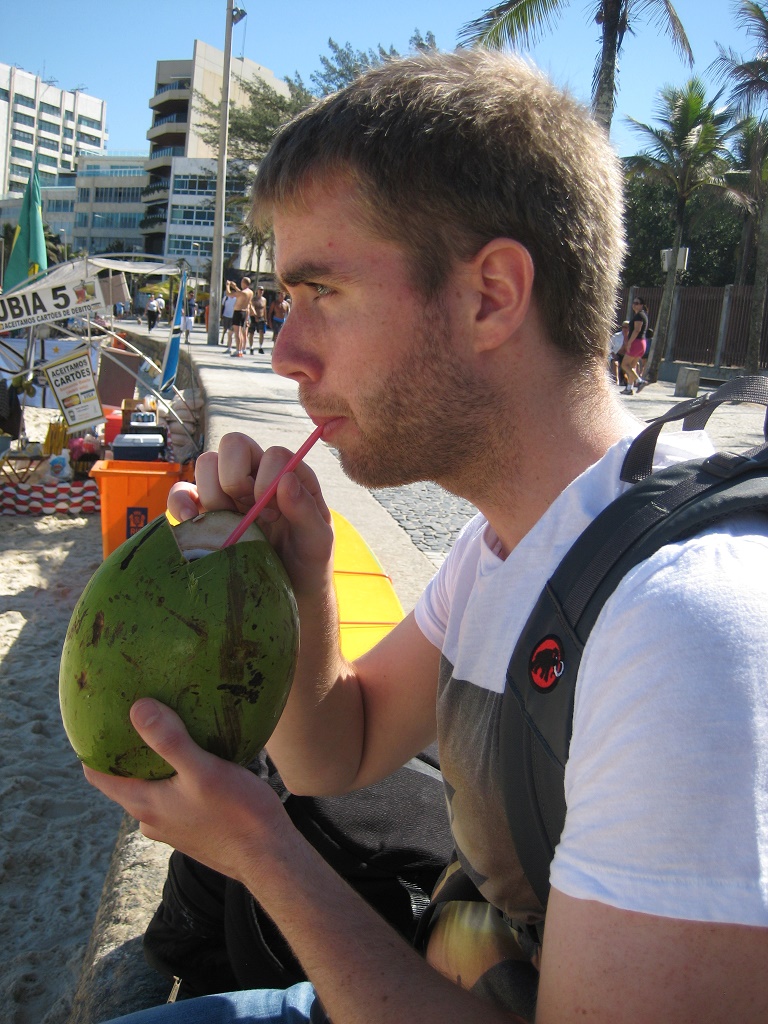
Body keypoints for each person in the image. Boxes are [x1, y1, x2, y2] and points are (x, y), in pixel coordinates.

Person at [85, 50, 768, 1024]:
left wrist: (262, 851)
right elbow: (337, 751)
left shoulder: (685, 628)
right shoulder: (509, 548)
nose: (282, 352)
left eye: (322, 291)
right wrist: (298, 578)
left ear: (490, 295)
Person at [620, 296, 649, 394]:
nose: (634, 305)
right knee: (632, 366)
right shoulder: (642, 315)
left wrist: (629, 343)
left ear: (641, 305)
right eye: (633, 303)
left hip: (636, 342)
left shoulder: (639, 316)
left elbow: (637, 330)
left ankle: (640, 381)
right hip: (642, 343)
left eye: (637, 303)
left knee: (624, 364)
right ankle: (629, 388)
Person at [226, 277, 254, 357]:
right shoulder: (250, 292)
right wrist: (234, 287)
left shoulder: (243, 293)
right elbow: (241, 294)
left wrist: (228, 286)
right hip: (244, 312)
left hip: (238, 312)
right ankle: (240, 350)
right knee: (241, 332)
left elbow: (229, 294)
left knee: (237, 333)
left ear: (244, 283)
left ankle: (238, 350)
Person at [608, 320, 629, 385]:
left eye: (626, 327)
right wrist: (613, 354)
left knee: (633, 364)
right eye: (623, 327)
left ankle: (632, 381)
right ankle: (616, 380)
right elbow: (608, 346)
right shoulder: (616, 336)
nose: (624, 329)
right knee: (615, 363)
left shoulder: (631, 337)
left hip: (627, 356)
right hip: (616, 355)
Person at [249, 286, 268, 354]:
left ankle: (260, 347)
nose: (261, 291)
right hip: (253, 317)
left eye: (262, 290)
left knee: (261, 333)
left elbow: (264, 309)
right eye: (260, 290)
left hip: (261, 317)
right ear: (257, 291)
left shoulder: (264, 299)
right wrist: (255, 316)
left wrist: (266, 319)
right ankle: (251, 347)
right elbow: (251, 308)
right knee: (251, 333)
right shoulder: (253, 299)